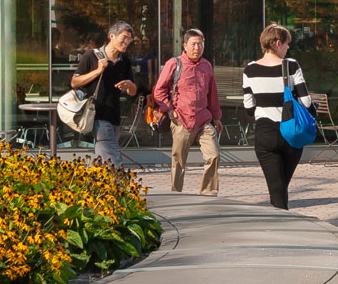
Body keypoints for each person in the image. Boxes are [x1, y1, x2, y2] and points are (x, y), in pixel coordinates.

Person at [243, 23, 311, 209]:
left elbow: (249, 106)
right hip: (290, 132)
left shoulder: (249, 70)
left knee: (276, 188)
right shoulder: (291, 66)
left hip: (265, 133)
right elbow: (306, 102)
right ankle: (283, 226)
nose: (288, 48)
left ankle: (279, 225)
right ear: (278, 43)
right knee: (281, 187)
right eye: (287, 44)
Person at [151, 28, 223, 196]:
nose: (197, 47)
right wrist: (169, 110)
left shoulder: (207, 65)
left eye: (200, 44)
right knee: (178, 161)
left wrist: (217, 117)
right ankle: (175, 195)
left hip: (203, 119)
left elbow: (213, 93)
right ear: (185, 45)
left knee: (214, 155)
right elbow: (159, 91)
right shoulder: (174, 64)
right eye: (193, 44)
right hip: (181, 119)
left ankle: (208, 193)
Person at [68, 21, 140, 167]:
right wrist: (98, 71)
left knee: (104, 156)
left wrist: (130, 86)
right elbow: (74, 83)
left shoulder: (124, 60)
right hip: (97, 114)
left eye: (130, 39)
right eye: (124, 37)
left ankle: (99, 185)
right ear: (112, 36)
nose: (127, 42)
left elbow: (132, 92)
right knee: (112, 154)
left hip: (114, 115)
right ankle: (119, 185)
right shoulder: (91, 56)